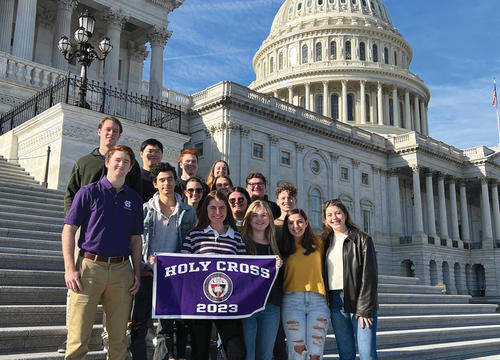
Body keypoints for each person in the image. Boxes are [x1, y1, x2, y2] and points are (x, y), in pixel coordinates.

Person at [59, 116, 142, 353]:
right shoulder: (88, 192)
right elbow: (69, 229)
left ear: (130, 167)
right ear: (107, 162)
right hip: (88, 267)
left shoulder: (134, 200)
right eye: (117, 160)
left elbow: (136, 239)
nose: (121, 165)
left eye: (126, 162)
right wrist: (69, 267)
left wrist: (136, 272)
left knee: (118, 341)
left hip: (120, 270)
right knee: (77, 341)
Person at [130, 162, 197, 360]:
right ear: (155, 184)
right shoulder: (144, 210)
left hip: (173, 277)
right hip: (147, 273)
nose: (166, 183)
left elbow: (190, 244)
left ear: (176, 182)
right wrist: (140, 267)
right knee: (139, 326)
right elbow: (135, 241)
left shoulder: (188, 212)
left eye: (169, 179)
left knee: (166, 329)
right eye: (162, 180)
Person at [182, 190, 247, 360]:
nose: (217, 212)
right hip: (200, 304)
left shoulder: (237, 238)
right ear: (206, 209)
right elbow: (181, 266)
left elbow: (245, 271)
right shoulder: (194, 235)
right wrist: (159, 262)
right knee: (199, 351)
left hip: (229, 304)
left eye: (222, 207)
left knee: (236, 352)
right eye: (213, 208)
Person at [322, 199, 378, 360]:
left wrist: (365, 309)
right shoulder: (325, 241)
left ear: (345, 214)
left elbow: (370, 276)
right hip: (336, 302)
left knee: (367, 353)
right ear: (325, 219)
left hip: (359, 301)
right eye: (329, 215)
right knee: (345, 354)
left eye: (338, 213)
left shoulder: (362, 239)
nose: (334, 217)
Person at [64, 116, 142, 214]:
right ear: (99, 132)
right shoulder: (83, 162)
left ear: (119, 136)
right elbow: (71, 194)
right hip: (88, 222)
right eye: (108, 129)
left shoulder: (130, 163)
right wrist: (72, 220)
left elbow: (136, 195)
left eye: (115, 131)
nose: (111, 133)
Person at [280, 209, 329, 360]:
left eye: (300, 221)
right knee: (297, 351)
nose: (296, 226)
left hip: (318, 301)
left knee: (316, 351)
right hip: (291, 301)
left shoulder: (319, 242)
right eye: (291, 223)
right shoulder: (282, 246)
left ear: (306, 223)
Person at [240, 201, 283, 360]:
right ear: (248, 218)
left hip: (271, 307)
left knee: (265, 355)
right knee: (248, 355)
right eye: (255, 215)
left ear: (270, 218)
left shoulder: (276, 244)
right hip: (247, 307)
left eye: (264, 215)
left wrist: (280, 265)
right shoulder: (240, 242)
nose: (260, 219)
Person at [139, 138, 163, 203]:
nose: (153, 154)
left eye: (157, 152)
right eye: (150, 151)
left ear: (162, 155)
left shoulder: (165, 177)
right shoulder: (135, 175)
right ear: (141, 154)